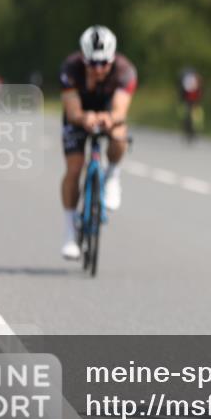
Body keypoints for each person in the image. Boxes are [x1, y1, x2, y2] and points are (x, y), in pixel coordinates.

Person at [58, 26, 137, 260]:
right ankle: (69, 231)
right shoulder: (70, 69)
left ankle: (112, 175)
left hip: (107, 111)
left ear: (113, 59)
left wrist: (109, 118)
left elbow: (121, 109)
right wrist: (85, 118)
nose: (99, 69)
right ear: (83, 58)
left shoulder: (125, 71)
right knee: (74, 168)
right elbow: (72, 111)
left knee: (120, 134)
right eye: (92, 64)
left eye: (104, 63)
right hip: (80, 114)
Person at [178, 67, 204, 140]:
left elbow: (182, 91)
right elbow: (200, 89)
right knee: (195, 115)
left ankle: (188, 128)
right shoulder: (197, 78)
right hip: (194, 100)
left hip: (188, 100)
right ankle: (195, 129)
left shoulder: (186, 79)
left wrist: (181, 99)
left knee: (187, 115)